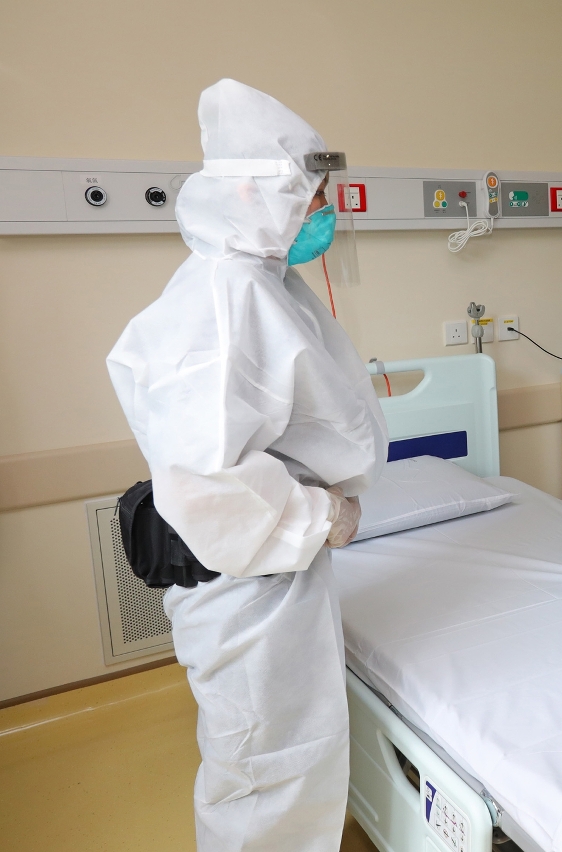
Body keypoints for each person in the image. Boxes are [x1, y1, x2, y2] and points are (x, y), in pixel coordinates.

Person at [106, 79, 388, 852]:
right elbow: (208, 478)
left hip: (271, 571)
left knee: (285, 760)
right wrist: (325, 515)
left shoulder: (259, 283)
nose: (325, 210)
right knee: (265, 770)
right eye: (312, 193)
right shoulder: (225, 298)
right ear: (251, 193)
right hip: (247, 578)